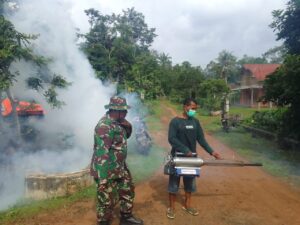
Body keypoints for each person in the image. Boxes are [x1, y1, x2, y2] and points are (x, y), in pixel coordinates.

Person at [90, 96, 144, 225]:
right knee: (106, 197)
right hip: (106, 168)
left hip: (119, 166)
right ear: (115, 110)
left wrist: (127, 124)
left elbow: (127, 136)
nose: (126, 113)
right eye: (123, 110)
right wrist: (103, 178)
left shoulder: (119, 122)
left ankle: (126, 217)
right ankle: (103, 221)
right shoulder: (104, 126)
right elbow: (101, 153)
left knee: (127, 189)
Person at [166, 97, 222, 219]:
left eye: (195, 109)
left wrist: (212, 152)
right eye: (192, 108)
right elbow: (172, 138)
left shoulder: (195, 122)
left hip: (191, 159)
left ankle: (187, 205)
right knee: (174, 183)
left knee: (189, 182)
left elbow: (201, 139)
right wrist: (185, 150)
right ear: (185, 107)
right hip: (177, 157)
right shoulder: (175, 122)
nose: (193, 111)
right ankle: (171, 207)